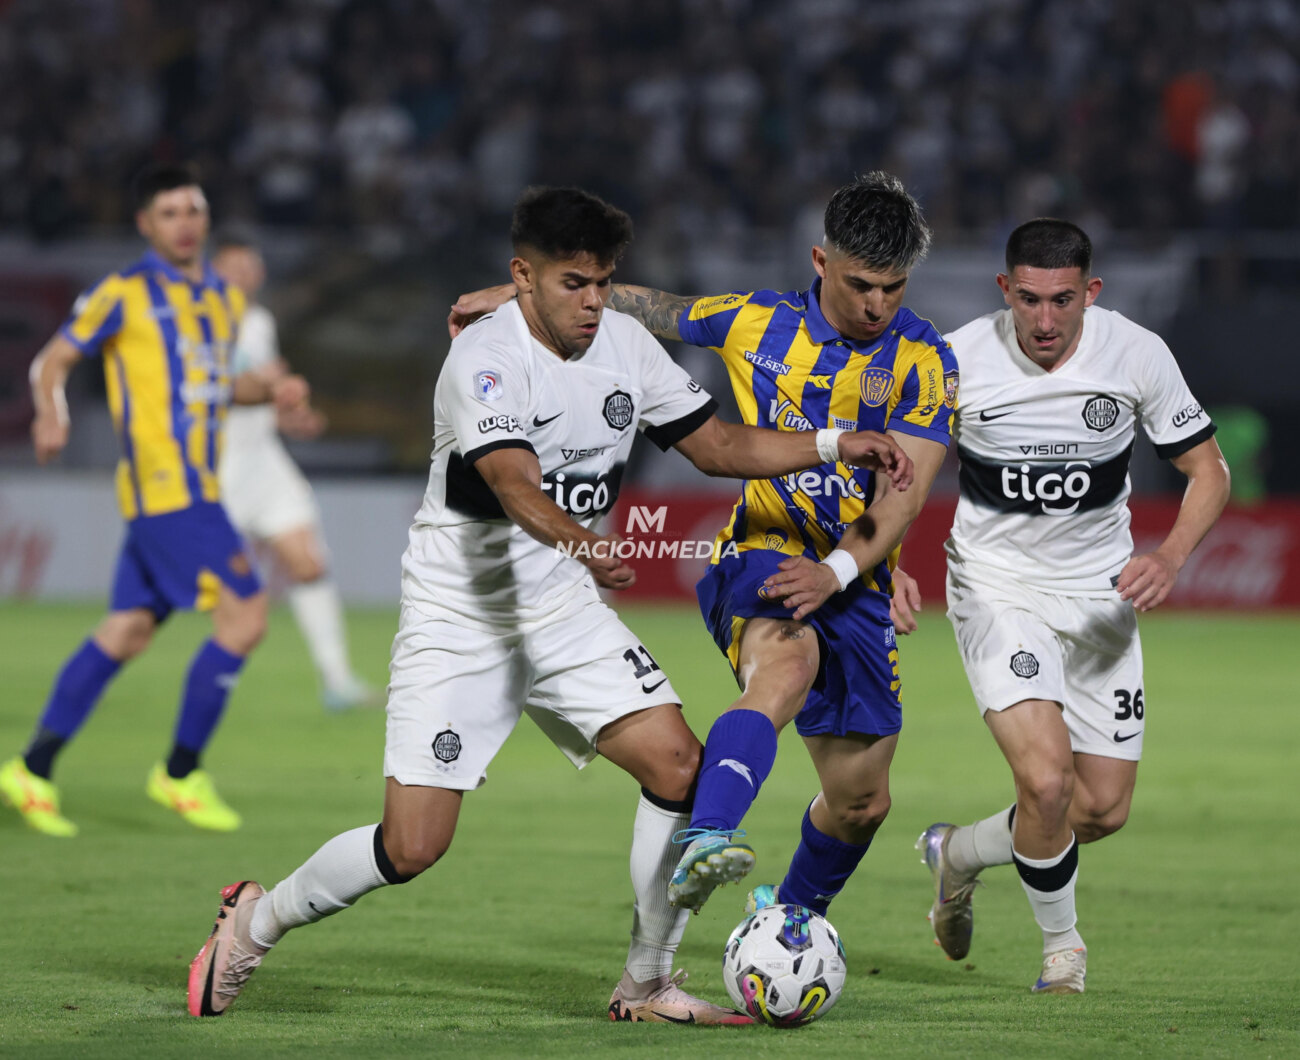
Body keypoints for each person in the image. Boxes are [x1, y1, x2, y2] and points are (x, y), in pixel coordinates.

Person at [187, 186, 914, 1022]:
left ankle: (646, 982)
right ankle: (257, 919)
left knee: (680, 766)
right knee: (413, 844)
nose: (594, 301)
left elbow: (718, 446)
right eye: (575, 283)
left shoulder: (626, 346)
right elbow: (512, 483)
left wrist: (830, 442)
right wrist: (586, 542)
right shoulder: (483, 361)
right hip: (463, 617)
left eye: (604, 282)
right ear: (522, 277)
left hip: (563, 612)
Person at [452, 171, 956, 924]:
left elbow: (904, 496)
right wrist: (521, 295)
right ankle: (709, 834)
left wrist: (841, 570)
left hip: (855, 575)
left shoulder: (927, 361)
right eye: (861, 285)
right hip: (759, 551)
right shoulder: (754, 320)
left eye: (894, 287)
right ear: (821, 263)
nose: (878, 305)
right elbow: (655, 308)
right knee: (785, 664)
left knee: (860, 801)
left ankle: (786, 921)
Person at [896, 218, 1230, 993]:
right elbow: (906, 473)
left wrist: (1170, 555)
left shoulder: (1136, 352)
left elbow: (1207, 471)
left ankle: (960, 853)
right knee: (1045, 785)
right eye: (1031, 301)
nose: (1046, 322)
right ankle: (1063, 952)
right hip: (997, 586)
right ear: (1005, 290)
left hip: (1102, 599)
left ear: (1092, 293)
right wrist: (879, 566)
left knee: (1098, 810)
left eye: (1064, 301)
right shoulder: (958, 359)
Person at [0, 163, 310, 837]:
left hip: (195, 487)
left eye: (193, 210)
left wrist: (271, 393)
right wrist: (49, 412)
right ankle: (179, 772)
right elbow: (52, 360)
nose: (184, 222)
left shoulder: (223, 302)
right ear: (145, 224)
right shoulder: (124, 291)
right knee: (246, 615)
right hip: (167, 492)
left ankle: (33, 765)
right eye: (169, 212)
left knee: (127, 630)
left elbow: (219, 390)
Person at [212, 234, 379, 712]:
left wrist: (291, 415)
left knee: (308, 563)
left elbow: (265, 393)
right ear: (213, 273)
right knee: (226, 592)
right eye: (232, 266)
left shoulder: (260, 322)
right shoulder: (199, 325)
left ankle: (337, 681)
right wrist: (270, 390)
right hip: (215, 467)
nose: (243, 275)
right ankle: (215, 686)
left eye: (250, 266)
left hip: (263, 460)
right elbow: (215, 390)